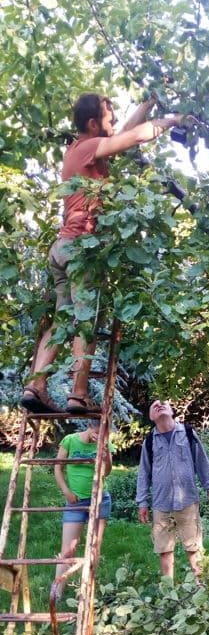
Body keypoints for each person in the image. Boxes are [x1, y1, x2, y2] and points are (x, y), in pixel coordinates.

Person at [21, 93, 186, 415]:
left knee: (63, 319)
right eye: (109, 117)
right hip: (82, 250)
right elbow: (133, 137)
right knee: (85, 321)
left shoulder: (79, 150)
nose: (115, 121)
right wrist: (173, 120)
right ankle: (79, 393)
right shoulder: (89, 148)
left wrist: (147, 105)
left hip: (62, 249)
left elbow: (123, 134)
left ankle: (35, 385)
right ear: (93, 124)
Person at [136, 400, 209, 580]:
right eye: (154, 406)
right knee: (164, 549)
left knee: (194, 547)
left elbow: (201, 461)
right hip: (161, 504)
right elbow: (144, 473)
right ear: (151, 417)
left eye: (163, 404)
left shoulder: (187, 433)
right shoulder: (149, 441)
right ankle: (168, 589)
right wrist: (142, 502)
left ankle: (200, 586)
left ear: (172, 411)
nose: (159, 405)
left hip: (187, 501)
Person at [54, 419, 113, 597]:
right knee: (68, 549)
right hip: (75, 502)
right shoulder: (70, 440)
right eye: (97, 433)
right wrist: (66, 491)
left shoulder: (105, 442)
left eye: (103, 434)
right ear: (91, 427)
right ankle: (57, 592)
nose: (99, 436)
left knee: (94, 546)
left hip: (100, 499)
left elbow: (107, 471)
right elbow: (58, 468)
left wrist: (104, 452)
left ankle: (87, 590)